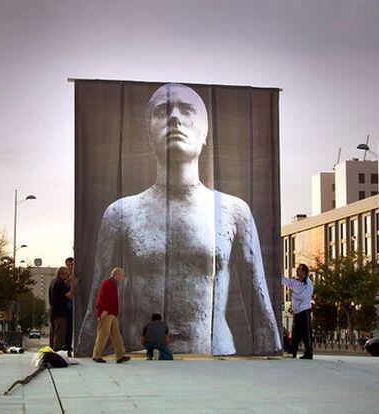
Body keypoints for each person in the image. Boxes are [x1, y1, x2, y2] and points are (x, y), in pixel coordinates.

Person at [78, 83, 281, 356]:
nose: (175, 118)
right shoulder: (121, 214)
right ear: (148, 133)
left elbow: (260, 307)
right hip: (143, 353)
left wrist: (274, 357)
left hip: (214, 353)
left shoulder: (234, 212)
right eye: (163, 111)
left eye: (187, 110)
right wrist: (85, 353)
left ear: (206, 131)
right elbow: (97, 304)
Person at [92, 267, 130, 364]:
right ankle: (97, 355)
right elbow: (104, 297)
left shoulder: (112, 284)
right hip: (107, 312)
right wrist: (105, 310)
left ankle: (120, 355)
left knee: (116, 334)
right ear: (117, 275)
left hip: (111, 313)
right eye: (122, 275)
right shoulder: (108, 283)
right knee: (103, 333)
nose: (123, 277)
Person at [282, 263, 314, 359]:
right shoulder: (296, 281)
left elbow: (303, 297)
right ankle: (293, 351)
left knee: (306, 333)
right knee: (295, 333)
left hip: (304, 311)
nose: (297, 272)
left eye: (299, 270)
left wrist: (293, 293)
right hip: (297, 312)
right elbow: (287, 282)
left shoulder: (308, 283)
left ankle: (308, 353)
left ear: (304, 271)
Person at [49, 266, 77, 351]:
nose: (68, 277)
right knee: (60, 333)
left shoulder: (53, 282)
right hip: (60, 312)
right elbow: (70, 295)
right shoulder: (60, 283)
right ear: (62, 274)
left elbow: (62, 289)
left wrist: (68, 282)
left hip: (53, 311)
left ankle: (51, 350)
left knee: (53, 332)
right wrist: (73, 285)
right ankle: (57, 351)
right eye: (67, 275)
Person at [64, 257, 75, 356]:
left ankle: (70, 347)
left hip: (75, 306)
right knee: (67, 328)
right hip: (67, 306)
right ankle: (66, 347)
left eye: (72, 264)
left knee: (72, 328)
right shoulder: (64, 277)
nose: (71, 266)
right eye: (69, 264)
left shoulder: (76, 276)